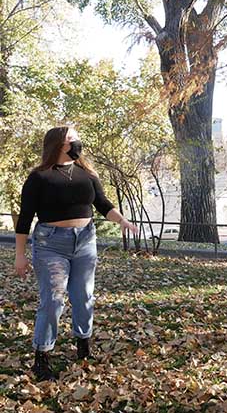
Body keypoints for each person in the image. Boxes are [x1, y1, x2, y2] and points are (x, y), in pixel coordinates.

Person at [14, 126, 138, 381]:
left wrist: (122, 221)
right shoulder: (39, 177)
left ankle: (83, 345)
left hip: (85, 242)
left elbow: (103, 204)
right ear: (59, 143)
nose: (78, 142)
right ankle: (42, 356)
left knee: (83, 296)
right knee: (54, 300)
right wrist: (20, 254)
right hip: (50, 245)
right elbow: (25, 218)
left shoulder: (87, 174)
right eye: (73, 138)